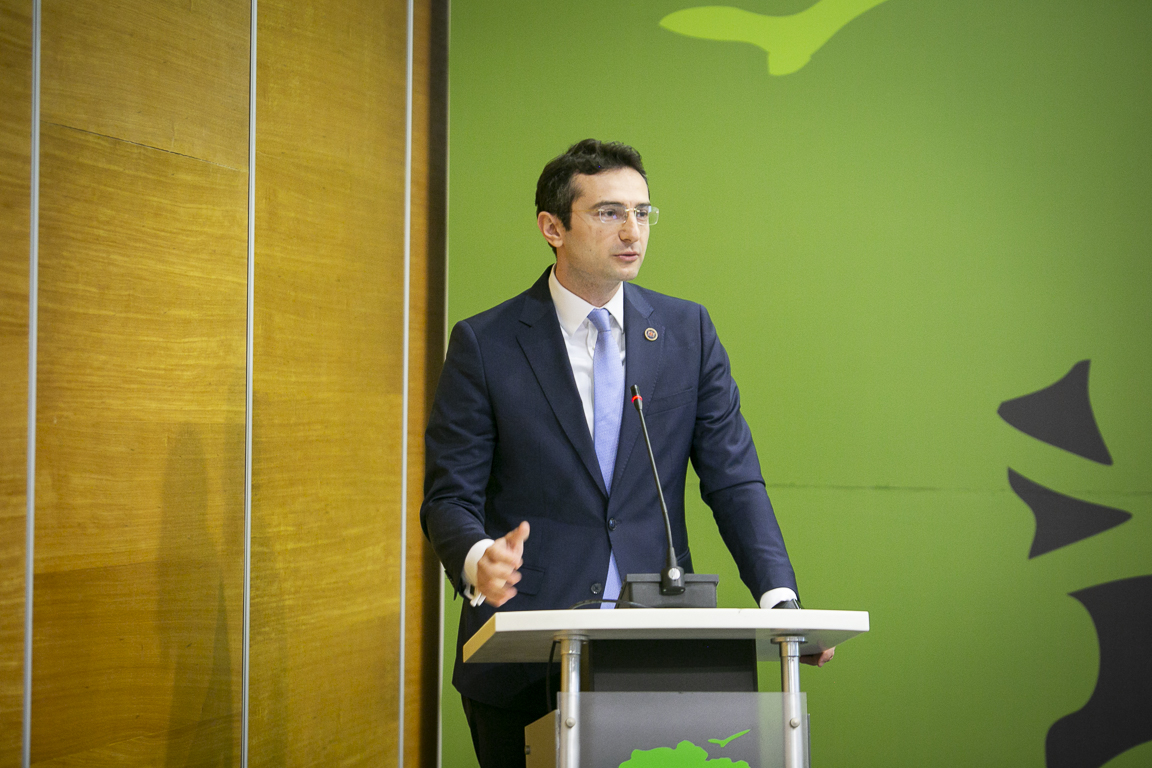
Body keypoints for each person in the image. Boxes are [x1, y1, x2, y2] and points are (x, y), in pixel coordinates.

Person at [420, 139, 833, 768]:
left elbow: (733, 480)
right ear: (552, 228)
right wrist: (479, 559)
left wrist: (780, 599)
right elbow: (449, 496)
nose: (632, 231)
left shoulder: (688, 333)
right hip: (525, 656)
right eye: (609, 212)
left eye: (642, 213)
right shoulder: (486, 343)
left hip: (661, 653)